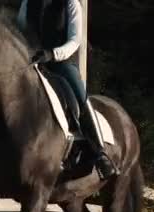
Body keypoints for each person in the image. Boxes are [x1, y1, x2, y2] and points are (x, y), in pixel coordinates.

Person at [17, 0, 119, 179]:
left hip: (60, 64)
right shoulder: (28, 3)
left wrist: (53, 54)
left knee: (80, 97)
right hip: (30, 62)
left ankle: (100, 153)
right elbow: (19, 31)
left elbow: (74, 41)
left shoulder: (70, 4)